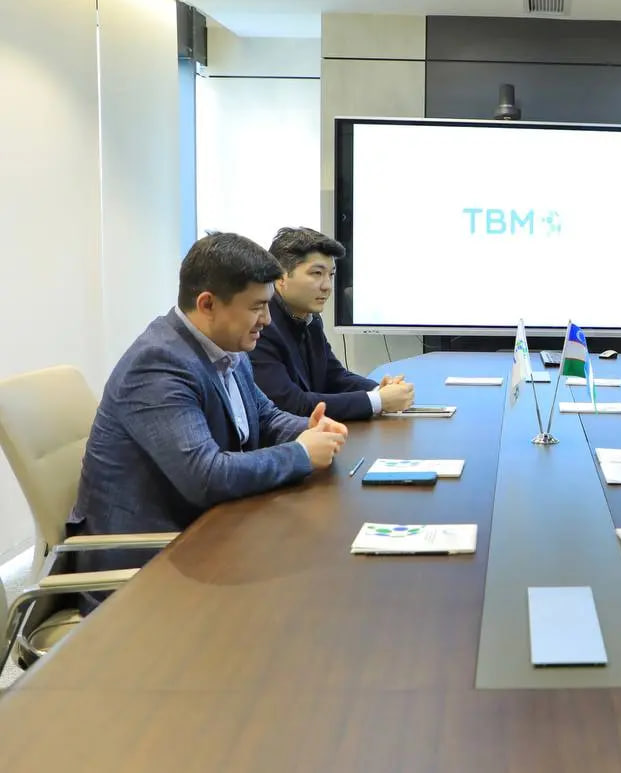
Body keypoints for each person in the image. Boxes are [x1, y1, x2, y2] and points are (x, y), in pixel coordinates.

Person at [69, 232, 349, 609]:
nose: (267, 320)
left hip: (208, 534)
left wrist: (309, 429)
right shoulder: (159, 365)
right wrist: (301, 454)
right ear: (208, 304)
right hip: (146, 567)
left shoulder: (227, 346)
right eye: (257, 307)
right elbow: (206, 476)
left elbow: (263, 416)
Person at [251, 227, 414, 420]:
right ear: (280, 277)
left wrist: (380, 389)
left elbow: (333, 376)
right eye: (317, 273)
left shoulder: (310, 319)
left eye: (331, 275)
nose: (327, 286)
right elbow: (290, 404)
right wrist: (378, 401)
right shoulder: (259, 326)